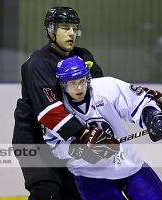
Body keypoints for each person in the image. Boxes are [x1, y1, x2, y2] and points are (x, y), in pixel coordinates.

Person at [12, 6, 104, 200]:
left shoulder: (84, 57)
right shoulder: (38, 63)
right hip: (35, 140)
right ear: (51, 31)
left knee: (76, 194)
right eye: (65, 27)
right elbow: (50, 112)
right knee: (47, 192)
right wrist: (86, 134)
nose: (71, 33)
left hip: (68, 140)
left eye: (74, 28)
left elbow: (100, 96)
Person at [43, 55, 162, 200]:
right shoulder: (56, 108)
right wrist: (82, 149)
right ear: (62, 84)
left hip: (130, 166)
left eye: (82, 80)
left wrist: (152, 117)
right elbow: (56, 147)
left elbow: (138, 103)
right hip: (91, 176)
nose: (79, 87)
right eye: (72, 83)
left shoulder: (106, 87)